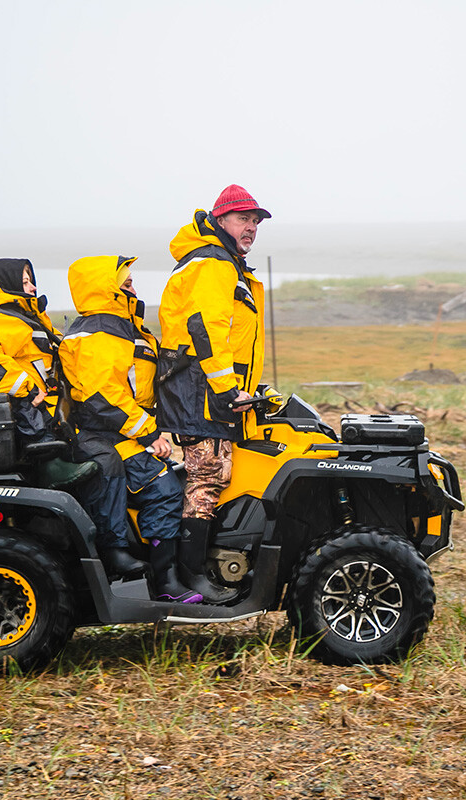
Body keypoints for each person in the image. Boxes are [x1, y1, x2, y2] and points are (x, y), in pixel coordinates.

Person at [60, 255, 202, 601]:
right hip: (106, 434)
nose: (133, 289)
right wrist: (150, 433)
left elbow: (141, 384)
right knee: (165, 487)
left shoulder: (122, 327)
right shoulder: (99, 333)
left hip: (122, 431)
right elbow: (102, 397)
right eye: (126, 284)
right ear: (103, 289)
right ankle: (165, 583)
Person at [156, 184, 271, 603]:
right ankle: (189, 579)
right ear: (220, 220)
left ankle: (193, 570)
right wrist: (225, 390)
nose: (251, 228)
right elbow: (206, 329)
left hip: (204, 388)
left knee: (211, 478)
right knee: (205, 478)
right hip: (200, 391)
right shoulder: (214, 264)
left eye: (255, 222)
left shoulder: (223, 262)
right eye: (243, 219)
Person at [0, 258, 93, 489]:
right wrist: (27, 388)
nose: (33, 287)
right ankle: (50, 468)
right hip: (34, 408)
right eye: (25, 282)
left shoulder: (27, 318)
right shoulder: (5, 320)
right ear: (4, 286)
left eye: (31, 281)